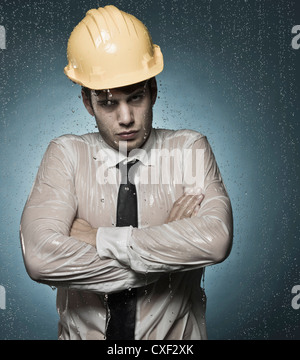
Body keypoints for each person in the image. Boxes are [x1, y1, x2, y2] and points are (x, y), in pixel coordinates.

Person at [20, 5, 233, 340]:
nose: (126, 118)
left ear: (153, 90)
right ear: (87, 102)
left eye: (135, 98)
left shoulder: (188, 149)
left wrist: (100, 238)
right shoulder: (66, 154)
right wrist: (165, 246)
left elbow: (214, 240)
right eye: (107, 103)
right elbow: (40, 258)